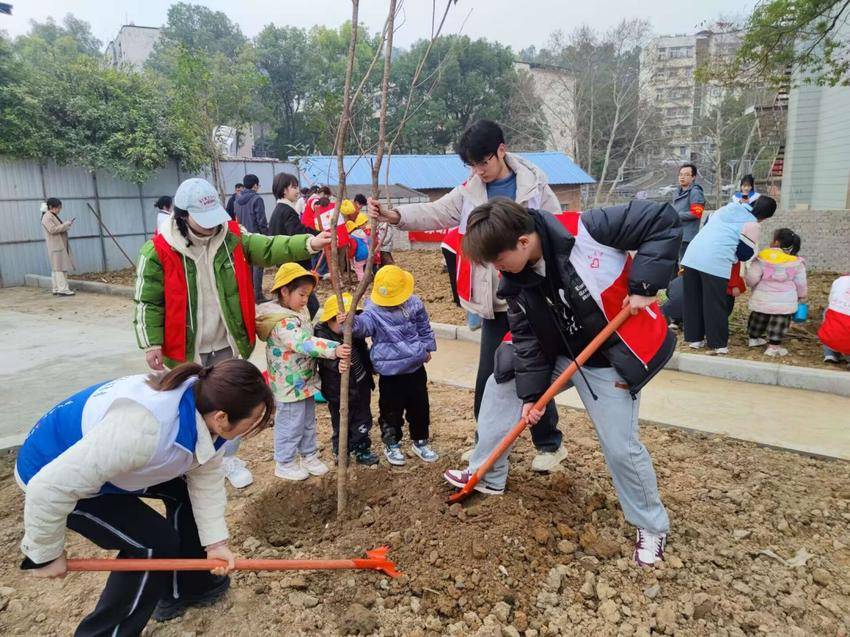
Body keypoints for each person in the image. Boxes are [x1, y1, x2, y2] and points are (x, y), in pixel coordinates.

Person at [441, 197, 680, 567]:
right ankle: (487, 473)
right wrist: (532, 394)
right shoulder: (515, 277)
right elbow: (525, 337)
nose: (498, 269)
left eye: (499, 261)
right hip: (559, 350)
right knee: (502, 381)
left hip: (610, 354)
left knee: (620, 445)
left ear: (523, 242)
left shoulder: (589, 228)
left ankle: (651, 525)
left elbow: (661, 218)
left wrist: (646, 282)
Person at [367, 119, 568, 472]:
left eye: (484, 162)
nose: (479, 171)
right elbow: (436, 211)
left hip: (531, 296)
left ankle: (549, 444)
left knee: (535, 370)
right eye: (472, 165)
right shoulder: (470, 190)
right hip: (494, 300)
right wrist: (394, 215)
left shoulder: (534, 187)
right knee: (489, 374)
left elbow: (557, 230)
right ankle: (485, 445)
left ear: (501, 150)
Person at [16, 358, 274, 632]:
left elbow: (205, 478)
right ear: (222, 418)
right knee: (152, 544)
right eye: (254, 420)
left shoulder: (206, 409)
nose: (256, 426)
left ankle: (189, 586)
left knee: (185, 490)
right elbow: (48, 488)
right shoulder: (145, 428)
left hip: (109, 462)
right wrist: (44, 554)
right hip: (51, 471)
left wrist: (215, 544)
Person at [133, 177, 332, 489]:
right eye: (204, 221)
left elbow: (269, 247)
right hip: (185, 345)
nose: (212, 227)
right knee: (187, 405)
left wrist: (309, 243)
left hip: (225, 340)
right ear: (183, 216)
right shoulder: (157, 251)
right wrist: (151, 342)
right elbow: (148, 301)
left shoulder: (233, 238)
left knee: (232, 403)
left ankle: (226, 458)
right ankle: (187, 463)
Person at [255, 264, 350, 480]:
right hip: (289, 385)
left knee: (308, 420)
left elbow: (311, 330)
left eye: (308, 295)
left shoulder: (299, 310)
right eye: (301, 294)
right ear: (284, 291)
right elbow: (303, 342)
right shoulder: (282, 321)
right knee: (290, 423)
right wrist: (333, 349)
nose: (305, 299)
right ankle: (285, 461)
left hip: (305, 380)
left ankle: (309, 455)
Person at [345, 265, 438, 466]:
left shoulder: (414, 303)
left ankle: (420, 440)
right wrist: (351, 322)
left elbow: (424, 326)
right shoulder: (372, 310)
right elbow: (364, 327)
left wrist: (427, 347)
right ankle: (391, 443)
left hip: (415, 366)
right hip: (390, 372)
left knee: (420, 406)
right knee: (390, 410)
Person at [680, 196, 777, 354]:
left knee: (693, 299)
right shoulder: (752, 224)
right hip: (715, 261)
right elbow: (744, 253)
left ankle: (695, 339)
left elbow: (707, 224)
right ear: (766, 217)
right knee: (715, 303)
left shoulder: (727, 208)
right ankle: (718, 344)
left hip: (692, 255)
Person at [315, 293, 379, 465]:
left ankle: (361, 448)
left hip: (361, 383)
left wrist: (372, 366)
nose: (345, 325)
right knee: (341, 421)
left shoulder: (354, 332)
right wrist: (337, 366)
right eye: (339, 321)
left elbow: (363, 351)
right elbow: (322, 359)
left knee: (362, 418)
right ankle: (341, 450)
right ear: (329, 320)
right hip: (338, 390)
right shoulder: (322, 334)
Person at [744, 228, 807, 357]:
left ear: (776, 243)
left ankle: (753, 339)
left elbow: (752, 277)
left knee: (758, 317)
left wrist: (751, 284)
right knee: (779, 321)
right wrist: (801, 295)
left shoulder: (763, 257)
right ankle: (773, 347)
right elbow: (801, 282)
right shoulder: (796, 262)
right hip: (785, 300)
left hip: (763, 296)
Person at [269, 172, 320, 317]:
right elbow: (298, 235)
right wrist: (317, 235)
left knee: (292, 305)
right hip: (295, 269)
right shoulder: (287, 212)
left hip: (285, 267)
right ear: (284, 190)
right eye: (294, 187)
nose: (297, 191)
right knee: (310, 305)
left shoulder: (277, 212)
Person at [233, 174, 269, 302]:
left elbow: (236, 219)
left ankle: (249, 294)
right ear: (255, 185)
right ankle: (258, 296)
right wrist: (267, 236)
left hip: (242, 237)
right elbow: (261, 221)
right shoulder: (257, 199)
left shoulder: (237, 201)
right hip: (256, 237)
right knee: (258, 266)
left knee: (248, 267)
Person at [671, 163, 706, 268]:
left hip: (687, 237)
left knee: (685, 267)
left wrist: (676, 215)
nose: (682, 177)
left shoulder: (695, 192)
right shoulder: (676, 192)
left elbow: (696, 213)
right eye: (680, 174)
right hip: (676, 234)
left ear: (693, 177)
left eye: (686, 175)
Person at [40, 197, 76, 296]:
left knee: (56, 268)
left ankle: (56, 288)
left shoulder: (51, 215)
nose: (59, 210)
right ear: (51, 207)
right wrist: (65, 225)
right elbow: (52, 230)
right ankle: (63, 289)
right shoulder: (47, 217)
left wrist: (65, 225)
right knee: (60, 267)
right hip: (56, 246)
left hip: (58, 245)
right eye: (58, 208)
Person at [819, 274, 850, 365]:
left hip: (829, 338)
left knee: (828, 312)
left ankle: (830, 354)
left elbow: (831, 299)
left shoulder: (841, 280)